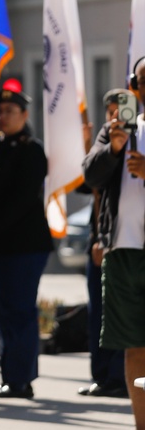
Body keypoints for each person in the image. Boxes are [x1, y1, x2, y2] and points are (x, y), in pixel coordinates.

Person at [0, 82, 53, 401]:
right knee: (2, 311)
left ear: (24, 115)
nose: (3, 116)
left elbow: (21, 200)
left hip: (23, 244)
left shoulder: (31, 150)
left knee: (18, 310)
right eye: (0, 111)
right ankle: (11, 375)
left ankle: (20, 379)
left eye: (10, 111)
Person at [83, 57, 145, 430]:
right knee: (132, 345)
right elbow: (89, 175)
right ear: (132, 86)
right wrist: (113, 149)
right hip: (122, 252)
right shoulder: (118, 129)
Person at [78, 90, 127, 401]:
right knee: (100, 313)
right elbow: (91, 180)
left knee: (127, 318)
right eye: (110, 112)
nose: (115, 117)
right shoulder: (109, 136)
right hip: (106, 238)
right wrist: (111, 148)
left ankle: (121, 377)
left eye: (120, 111)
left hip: (133, 243)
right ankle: (103, 375)